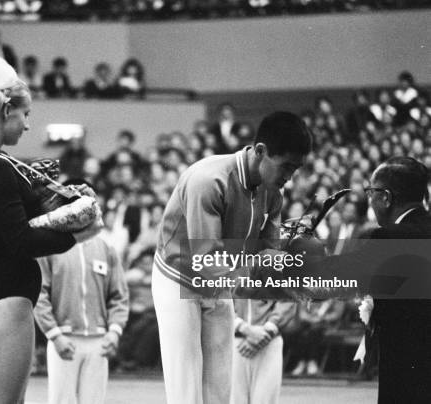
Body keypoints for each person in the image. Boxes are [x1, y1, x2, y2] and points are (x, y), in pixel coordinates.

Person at [0, 56, 101, 404]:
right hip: (4, 292)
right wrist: (79, 233)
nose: (28, 125)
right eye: (26, 114)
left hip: (0, 289)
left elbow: (13, 224)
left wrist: (63, 205)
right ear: (6, 109)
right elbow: (19, 240)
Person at [152, 111, 311, 404]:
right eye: (286, 166)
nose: (290, 176)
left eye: (297, 169)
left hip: (221, 282)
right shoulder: (208, 180)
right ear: (261, 151)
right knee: (187, 391)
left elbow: (269, 252)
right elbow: (206, 262)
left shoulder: (274, 191)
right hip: (179, 279)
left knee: (220, 391)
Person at [259, 156, 430, 403]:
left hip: (410, 360)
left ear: (386, 197)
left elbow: (342, 272)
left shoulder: (390, 237)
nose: (369, 200)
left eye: (371, 192)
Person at [34, 180, 129, 404]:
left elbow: (119, 295)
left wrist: (114, 332)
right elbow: (40, 294)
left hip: (99, 341)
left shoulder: (106, 249)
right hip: (64, 340)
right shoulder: (50, 247)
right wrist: (54, 336)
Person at [231, 298, 296, 403]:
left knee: (264, 400)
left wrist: (268, 330)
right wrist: (243, 328)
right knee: (234, 400)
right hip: (234, 340)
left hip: (269, 342)